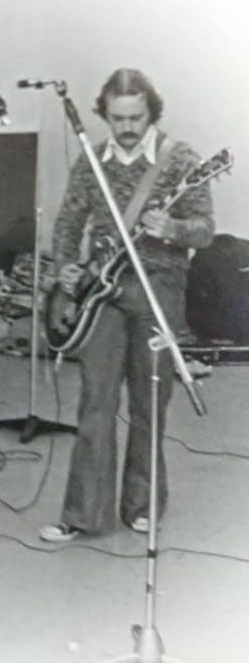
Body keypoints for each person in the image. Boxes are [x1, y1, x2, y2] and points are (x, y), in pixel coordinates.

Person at [38, 69, 214, 543]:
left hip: (159, 286)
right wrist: (64, 270)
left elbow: (205, 228)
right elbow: (68, 222)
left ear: (150, 112)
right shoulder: (93, 161)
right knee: (95, 399)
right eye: (117, 119)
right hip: (103, 290)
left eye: (135, 117)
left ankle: (142, 506)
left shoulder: (181, 161)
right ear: (105, 116)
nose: (127, 127)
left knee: (149, 399)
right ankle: (83, 514)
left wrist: (171, 229)